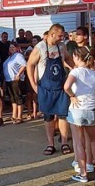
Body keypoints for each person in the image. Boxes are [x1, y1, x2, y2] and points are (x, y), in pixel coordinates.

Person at [26, 24, 71, 155]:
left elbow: (68, 58)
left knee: (63, 116)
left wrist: (77, 71)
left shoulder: (62, 46)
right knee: (48, 117)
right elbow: (30, 65)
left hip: (61, 87)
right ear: (52, 34)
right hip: (45, 88)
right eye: (60, 36)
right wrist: (33, 84)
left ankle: (64, 142)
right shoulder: (40, 47)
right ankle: (50, 144)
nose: (62, 38)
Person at [64, 46, 95, 182]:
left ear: (76, 57)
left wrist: (72, 96)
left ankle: (83, 173)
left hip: (77, 109)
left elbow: (66, 87)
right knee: (93, 140)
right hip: (91, 108)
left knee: (79, 142)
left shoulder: (75, 72)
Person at [3, 41, 27, 124]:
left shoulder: (18, 56)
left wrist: (18, 74)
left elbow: (24, 65)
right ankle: (14, 115)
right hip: (8, 79)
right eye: (10, 47)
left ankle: (19, 116)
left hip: (15, 79)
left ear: (17, 48)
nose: (11, 48)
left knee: (18, 97)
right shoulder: (9, 57)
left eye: (13, 47)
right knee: (12, 98)